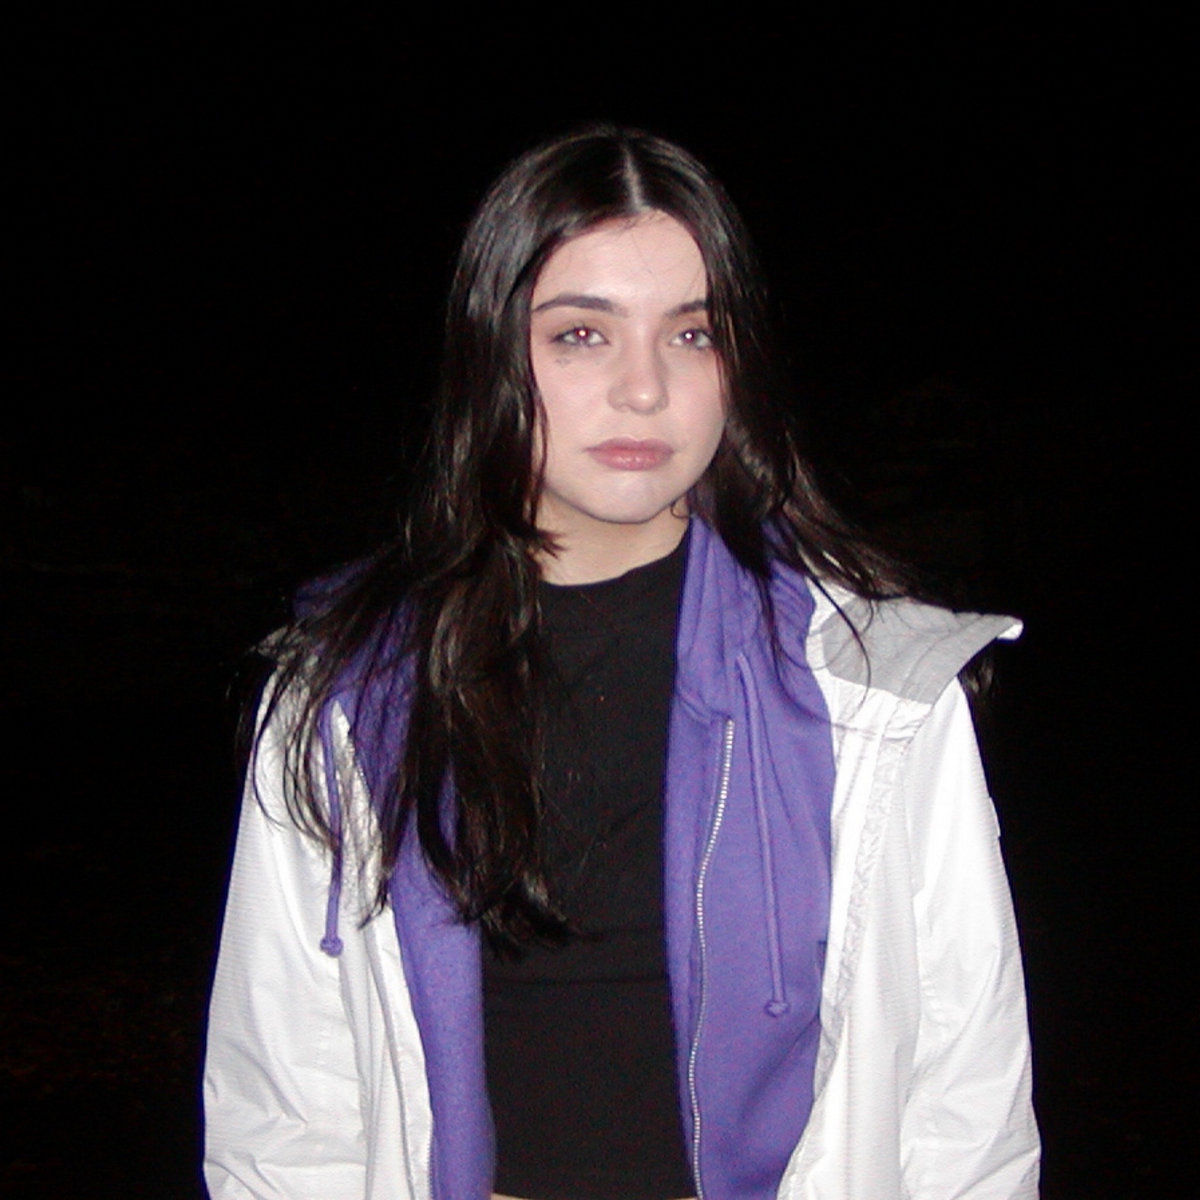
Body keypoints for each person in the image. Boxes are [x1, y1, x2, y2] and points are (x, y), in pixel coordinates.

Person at [203, 125, 1040, 1200]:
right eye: (582, 335)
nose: (644, 389)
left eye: (691, 334)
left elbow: (965, 1099)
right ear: (491, 354)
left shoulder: (876, 689)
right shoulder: (345, 698)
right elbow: (287, 1108)